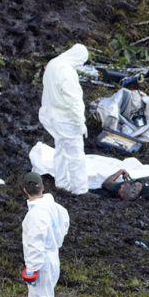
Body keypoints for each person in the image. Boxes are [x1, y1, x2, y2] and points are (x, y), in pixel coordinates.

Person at [20, 173, 70, 297]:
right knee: (40, 296)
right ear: (42, 187)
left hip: (42, 262)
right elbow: (64, 221)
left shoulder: (35, 215)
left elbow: (35, 244)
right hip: (51, 255)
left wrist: (32, 269)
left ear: (24, 190)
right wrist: (58, 240)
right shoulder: (53, 206)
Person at [39, 44, 90, 195]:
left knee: (60, 149)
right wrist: (80, 122)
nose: (81, 64)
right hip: (66, 118)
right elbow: (73, 100)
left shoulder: (53, 64)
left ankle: (61, 183)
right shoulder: (67, 71)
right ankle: (79, 189)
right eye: (82, 61)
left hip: (51, 115)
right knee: (76, 154)